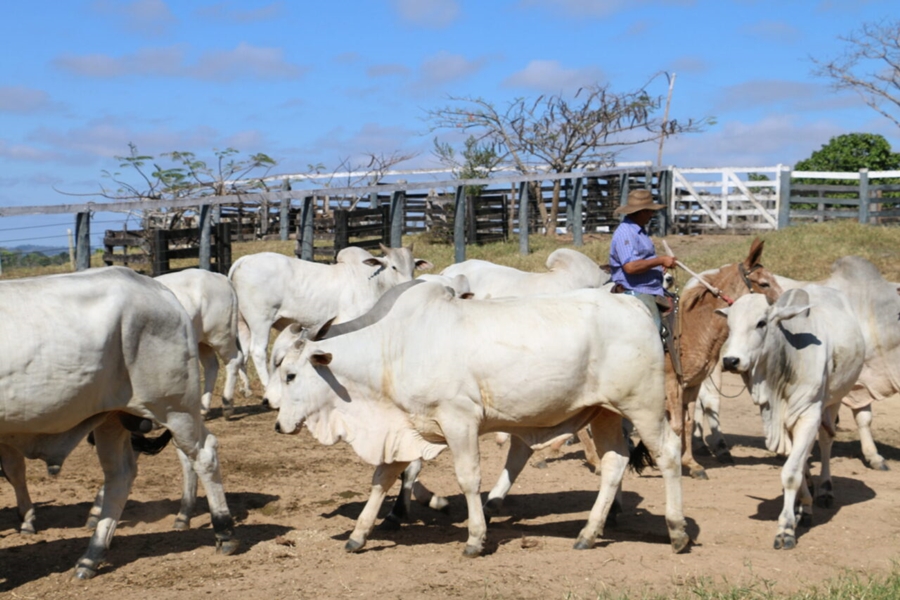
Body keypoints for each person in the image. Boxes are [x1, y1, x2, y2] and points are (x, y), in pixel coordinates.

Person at [608, 189, 677, 335]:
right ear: (640, 212)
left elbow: (641, 260)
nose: (651, 215)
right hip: (637, 290)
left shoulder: (638, 231)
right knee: (652, 330)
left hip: (650, 287)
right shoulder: (626, 233)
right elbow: (631, 267)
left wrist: (656, 266)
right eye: (649, 211)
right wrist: (660, 260)